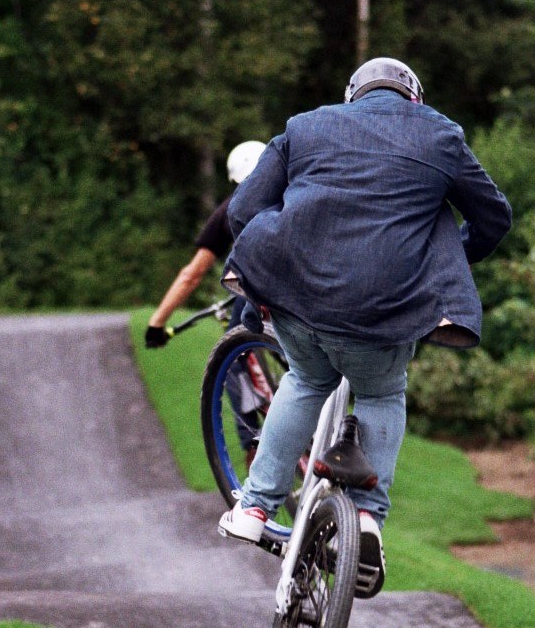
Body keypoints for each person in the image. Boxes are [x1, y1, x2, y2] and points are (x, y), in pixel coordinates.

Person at [216, 56, 512, 598]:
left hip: (298, 299)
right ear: (414, 98)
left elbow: (243, 209)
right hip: (383, 312)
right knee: (379, 394)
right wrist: (443, 259)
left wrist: (273, 260)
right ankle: (368, 518)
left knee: (304, 382)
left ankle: (254, 507)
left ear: (353, 94)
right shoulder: (441, 136)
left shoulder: (305, 126)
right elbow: (494, 217)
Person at [144, 141, 268, 348]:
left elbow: (192, 275)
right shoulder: (296, 193)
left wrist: (156, 323)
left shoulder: (230, 210)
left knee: (233, 353)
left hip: (259, 287)